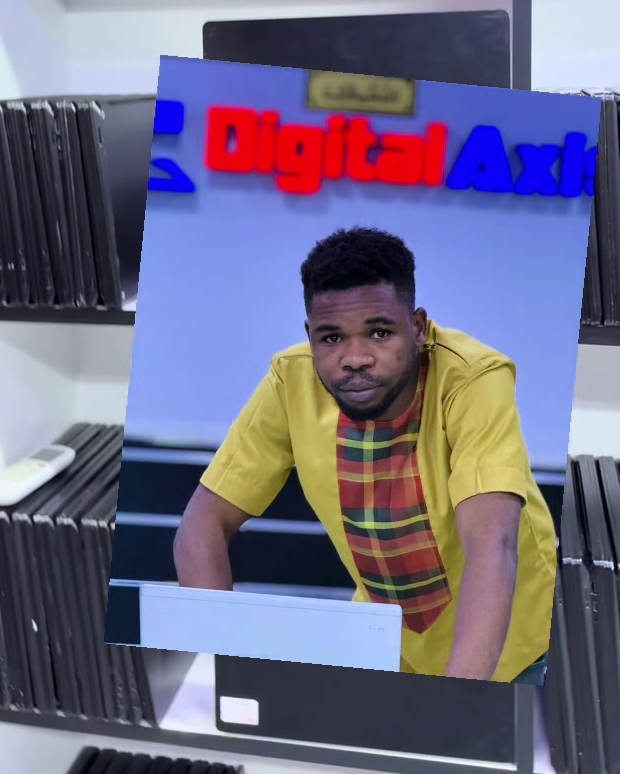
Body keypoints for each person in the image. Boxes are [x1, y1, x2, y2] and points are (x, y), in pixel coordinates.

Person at [173, 226, 557, 684]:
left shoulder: (475, 379)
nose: (355, 357)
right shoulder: (291, 379)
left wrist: (454, 704)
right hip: (387, 644)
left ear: (418, 328)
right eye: (332, 338)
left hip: (519, 651)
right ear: (310, 335)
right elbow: (203, 524)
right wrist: (218, 668)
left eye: (379, 332)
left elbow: (493, 547)